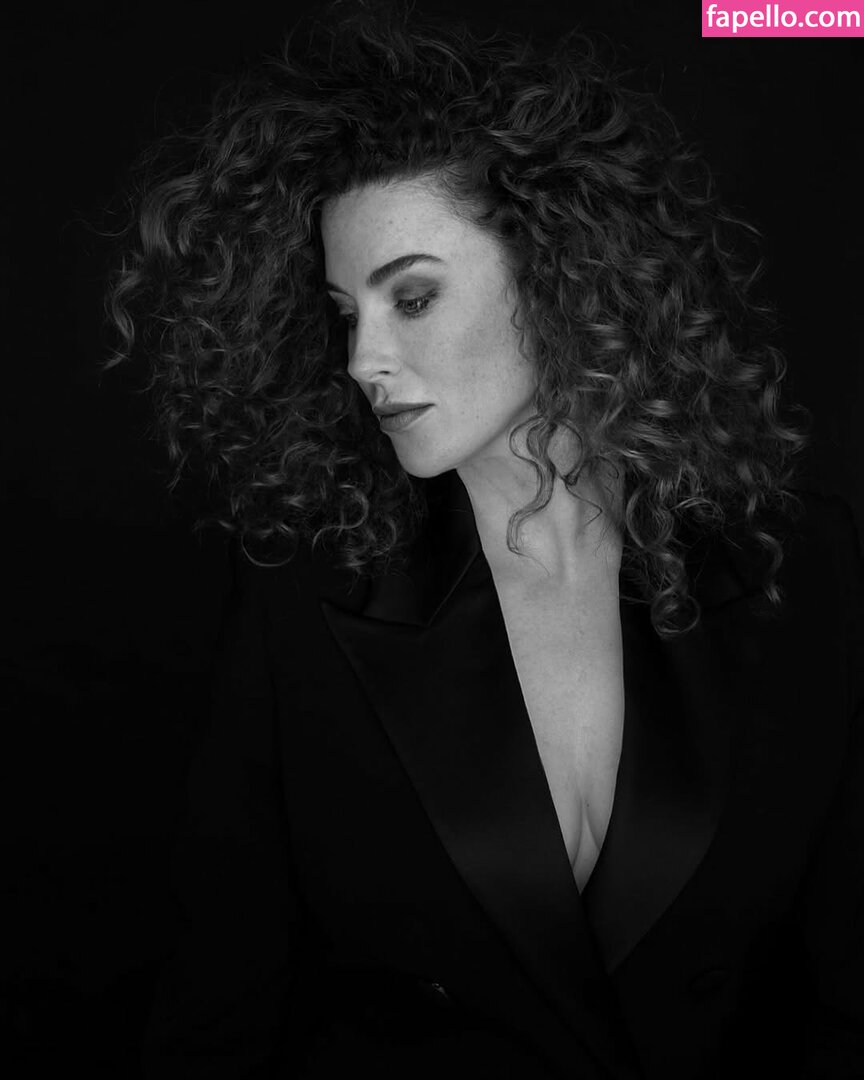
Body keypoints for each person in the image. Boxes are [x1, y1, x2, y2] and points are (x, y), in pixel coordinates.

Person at [107, 2, 863, 1077]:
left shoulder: (798, 565)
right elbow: (220, 998)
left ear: (558, 273)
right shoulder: (305, 595)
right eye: (346, 313)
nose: (364, 359)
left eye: (412, 298)